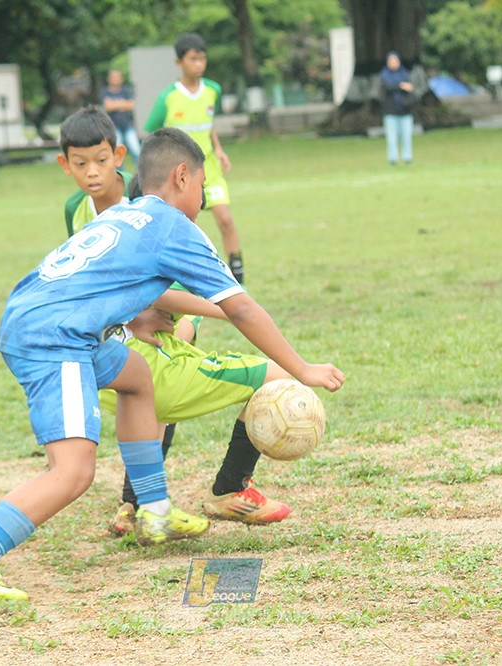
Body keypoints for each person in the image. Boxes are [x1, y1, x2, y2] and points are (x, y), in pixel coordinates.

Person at [0, 127, 345, 601]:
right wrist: (303, 368)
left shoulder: (126, 214)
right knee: (73, 472)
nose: (203, 200)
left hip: (47, 319)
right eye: (202, 186)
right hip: (55, 337)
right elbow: (242, 308)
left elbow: (92, 278)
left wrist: (133, 313)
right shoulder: (174, 226)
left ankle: (155, 511)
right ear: (182, 176)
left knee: (136, 378)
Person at [56, 107, 301, 536]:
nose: (92, 173)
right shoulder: (89, 211)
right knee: (154, 387)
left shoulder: (135, 202)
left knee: (154, 375)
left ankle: (144, 503)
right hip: (117, 331)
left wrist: (205, 310)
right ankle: (189, 496)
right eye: (80, 163)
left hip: (125, 329)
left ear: (118, 157)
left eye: (100, 160)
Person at [144, 32, 245, 284]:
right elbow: (152, 132)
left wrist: (218, 149)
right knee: (182, 226)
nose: (199, 64)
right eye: (193, 59)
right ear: (179, 62)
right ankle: (179, 276)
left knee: (225, 218)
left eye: (202, 59)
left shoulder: (213, 90)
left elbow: (208, 124)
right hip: (179, 175)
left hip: (209, 169)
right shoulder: (167, 97)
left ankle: (238, 276)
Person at [380, 52, 416, 165]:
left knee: (406, 136)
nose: (393, 63)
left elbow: (410, 88)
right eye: (391, 61)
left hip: (405, 110)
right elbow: (386, 88)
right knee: (391, 137)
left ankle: (407, 157)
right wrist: (400, 86)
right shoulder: (384, 76)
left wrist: (405, 87)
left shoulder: (405, 74)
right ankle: (393, 158)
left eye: (395, 61)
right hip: (390, 111)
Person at [100, 69, 141, 169]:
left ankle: (142, 174)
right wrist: (123, 103)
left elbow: (131, 105)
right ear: (109, 79)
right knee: (117, 152)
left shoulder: (126, 90)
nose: (116, 80)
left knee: (136, 150)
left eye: (117, 77)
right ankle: (120, 175)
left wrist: (115, 104)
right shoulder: (105, 91)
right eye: (113, 77)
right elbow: (108, 106)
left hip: (127, 125)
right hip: (114, 127)